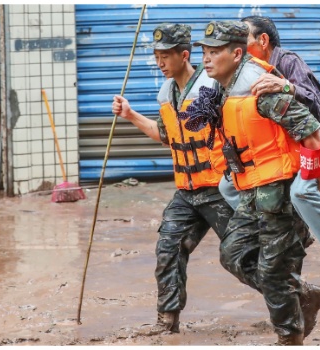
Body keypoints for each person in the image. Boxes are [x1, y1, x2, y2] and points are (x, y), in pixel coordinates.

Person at [190, 20, 320, 345]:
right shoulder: (223, 92)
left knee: (273, 272)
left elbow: (312, 136)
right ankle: (302, 296)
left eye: (214, 53)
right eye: (205, 53)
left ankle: (290, 337)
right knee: (232, 254)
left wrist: (314, 200)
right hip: (252, 192)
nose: (207, 59)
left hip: (281, 194)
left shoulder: (259, 89)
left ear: (237, 53)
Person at [215, 15, 320, 291]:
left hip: (315, 143)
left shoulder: (287, 61)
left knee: (301, 192)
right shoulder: (240, 73)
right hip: (281, 151)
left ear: (262, 41)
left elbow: (314, 101)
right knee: (227, 186)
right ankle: (283, 228)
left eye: (243, 40)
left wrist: (285, 85)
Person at [111, 23, 235, 334]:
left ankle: (295, 296)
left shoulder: (211, 86)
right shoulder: (167, 93)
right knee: (168, 247)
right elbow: (165, 136)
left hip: (220, 188)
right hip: (187, 190)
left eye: (166, 56)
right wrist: (130, 114)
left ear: (184, 55)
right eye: (156, 56)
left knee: (241, 257)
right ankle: (167, 322)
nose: (160, 62)